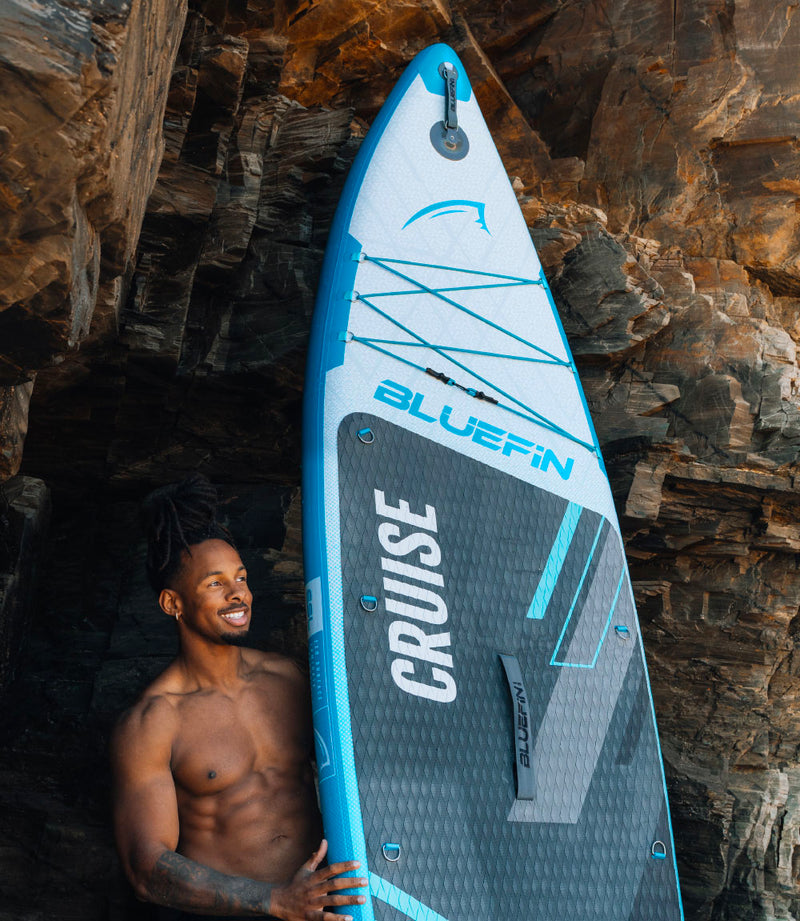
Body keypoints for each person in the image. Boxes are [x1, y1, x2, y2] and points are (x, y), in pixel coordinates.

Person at [111, 474, 367, 920]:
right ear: (173, 604)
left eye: (241, 577)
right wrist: (275, 902)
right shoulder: (153, 721)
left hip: (333, 910)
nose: (238, 594)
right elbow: (145, 870)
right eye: (215, 584)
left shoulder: (288, 677)